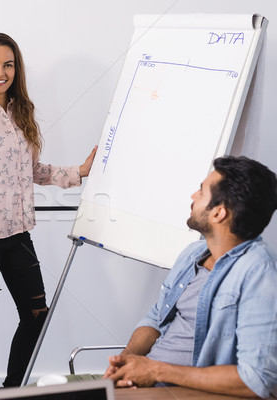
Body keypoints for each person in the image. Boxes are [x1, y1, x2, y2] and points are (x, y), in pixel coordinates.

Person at [0, 32, 97, 389]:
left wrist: (78, 172)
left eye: (8, 64)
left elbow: (34, 171)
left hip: (18, 236)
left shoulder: (21, 114)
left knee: (36, 315)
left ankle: (12, 391)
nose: (0, 72)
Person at [103, 156, 277, 398]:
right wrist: (126, 361)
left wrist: (156, 371)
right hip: (145, 384)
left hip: (181, 392)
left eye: (201, 191)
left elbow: (258, 380)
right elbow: (156, 318)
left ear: (218, 213)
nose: (193, 196)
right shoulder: (193, 253)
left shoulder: (259, 271)